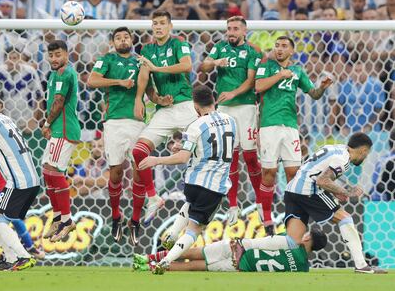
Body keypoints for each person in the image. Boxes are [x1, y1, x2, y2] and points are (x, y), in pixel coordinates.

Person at [238, 133, 388, 274]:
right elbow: (322, 180)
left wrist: (335, 191)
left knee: (293, 240)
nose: (365, 157)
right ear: (363, 150)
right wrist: (346, 192)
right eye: (366, 154)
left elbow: (316, 171)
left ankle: (244, 245)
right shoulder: (343, 160)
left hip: (292, 190)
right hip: (308, 190)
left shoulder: (334, 148)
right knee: (345, 218)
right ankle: (362, 265)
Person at [138, 84, 237, 275]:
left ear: (195, 105)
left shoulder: (196, 125)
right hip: (214, 186)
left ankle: (173, 234)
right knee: (194, 230)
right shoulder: (231, 121)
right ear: (213, 100)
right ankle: (165, 261)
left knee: (190, 205)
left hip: (193, 183)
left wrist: (156, 159)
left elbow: (184, 156)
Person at [130, 10, 197, 244]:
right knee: (138, 151)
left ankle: (207, 195)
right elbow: (145, 79)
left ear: (170, 26)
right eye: (154, 24)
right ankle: (152, 197)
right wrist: (148, 99)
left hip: (186, 106)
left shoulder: (179, 43)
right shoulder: (147, 50)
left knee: (205, 151)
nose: (158, 27)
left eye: (162, 23)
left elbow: (186, 66)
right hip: (164, 110)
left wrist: (156, 69)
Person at [254, 36, 333, 235]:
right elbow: (258, 87)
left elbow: (313, 94)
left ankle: (293, 217)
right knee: (269, 173)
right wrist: (281, 75)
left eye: (284, 46)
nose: (279, 49)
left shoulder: (297, 70)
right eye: (277, 46)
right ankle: (266, 216)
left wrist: (322, 87)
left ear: (291, 52)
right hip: (269, 125)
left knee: (293, 174)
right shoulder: (266, 66)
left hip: (290, 127)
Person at [201, 16, 263, 226]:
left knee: (251, 157)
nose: (231, 32)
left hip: (245, 107)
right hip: (225, 108)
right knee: (230, 158)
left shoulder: (253, 52)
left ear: (244, 31)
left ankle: (262, 203)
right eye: (229, 28)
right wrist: (214, 62)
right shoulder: (219, 47)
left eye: (235, 28)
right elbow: (204, 67)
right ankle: (233, 205)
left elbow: (251, 80)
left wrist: (233, 93)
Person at [87, 26, 145, 243]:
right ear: (113, 42)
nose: (122, 40)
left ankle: (136, 220)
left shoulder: (140, 61)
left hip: (138, 121)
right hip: (113, 122)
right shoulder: (107, 60)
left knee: (140, 171)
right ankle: (115, 216)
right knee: (116, 172)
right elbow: (92, 80)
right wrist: (118, 82)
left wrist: (158, 99)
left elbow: (147, 88)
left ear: (132, 40)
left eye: (126, 37)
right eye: (118, 38)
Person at [0, 80, 44, 262]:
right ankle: (9, 260)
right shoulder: (7, 120)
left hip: (17, 182)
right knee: (0, 218)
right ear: (0, 106)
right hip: (31, 180)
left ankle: (23, 257)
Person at [132, 228, 327, 272]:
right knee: (194, 267)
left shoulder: (288, 240)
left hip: (237, 247)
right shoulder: (303, 268)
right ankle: (147, 267)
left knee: (192, 252)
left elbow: (266, 241)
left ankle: (146, 258)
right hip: (239, 266)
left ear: (307, 237)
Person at [41, 40, 81, 243]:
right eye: (51, 55)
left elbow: (58, 102)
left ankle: (66, 220)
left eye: (58, 54)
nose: (54, 59)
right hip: (58, 129)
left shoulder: (66, 73)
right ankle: (57, 217)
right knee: (47, 172)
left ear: (66, 54)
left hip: (65, 130)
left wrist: (47, 123)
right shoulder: (54, 74)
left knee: (54, 172)